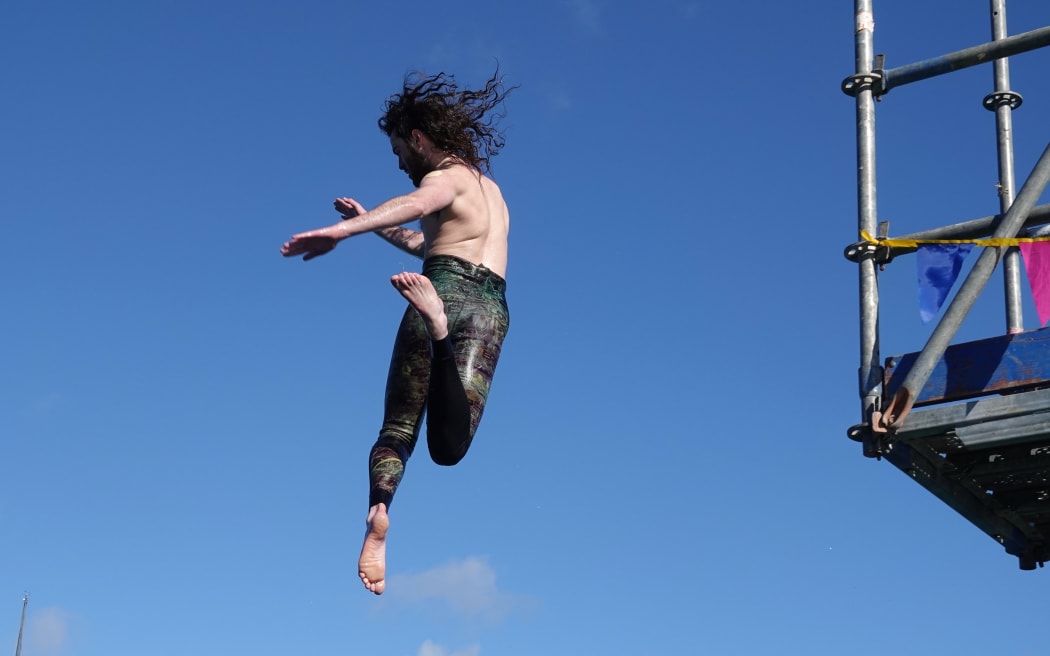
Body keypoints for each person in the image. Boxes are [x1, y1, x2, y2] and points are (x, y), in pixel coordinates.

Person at [280, 70, 514, 595]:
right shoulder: (489, 193)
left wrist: (343, 230)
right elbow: (428, 239)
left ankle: (379, 509)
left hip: (440, 292)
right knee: (448, 448)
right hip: (490, 306)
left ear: (418, 139)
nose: (400, 164)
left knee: (398, 429)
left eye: (397, 152)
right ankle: (440, 333)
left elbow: (416, 203)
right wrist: (375, 223)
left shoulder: (442, 178)